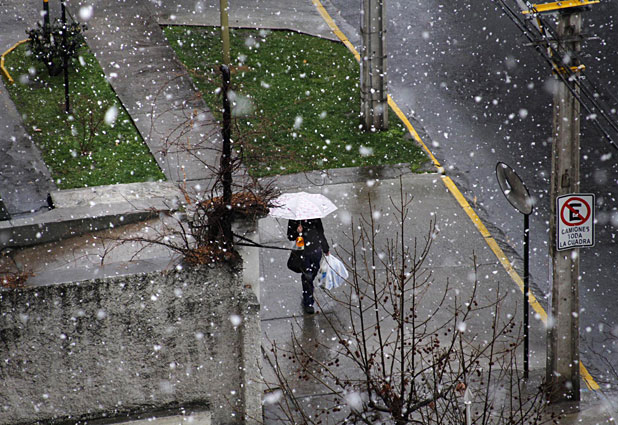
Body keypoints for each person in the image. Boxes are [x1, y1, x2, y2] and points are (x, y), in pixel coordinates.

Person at [287, 218, 329, 314]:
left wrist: (325, 248)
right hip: (303, 252)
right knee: (308, 277)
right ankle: (308, 303)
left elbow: (320, 233)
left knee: (313, 273)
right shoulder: (294, 220)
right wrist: (297, 232)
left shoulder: (315, 217)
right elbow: (290, 236)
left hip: (316, 251)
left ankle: (307, 288)